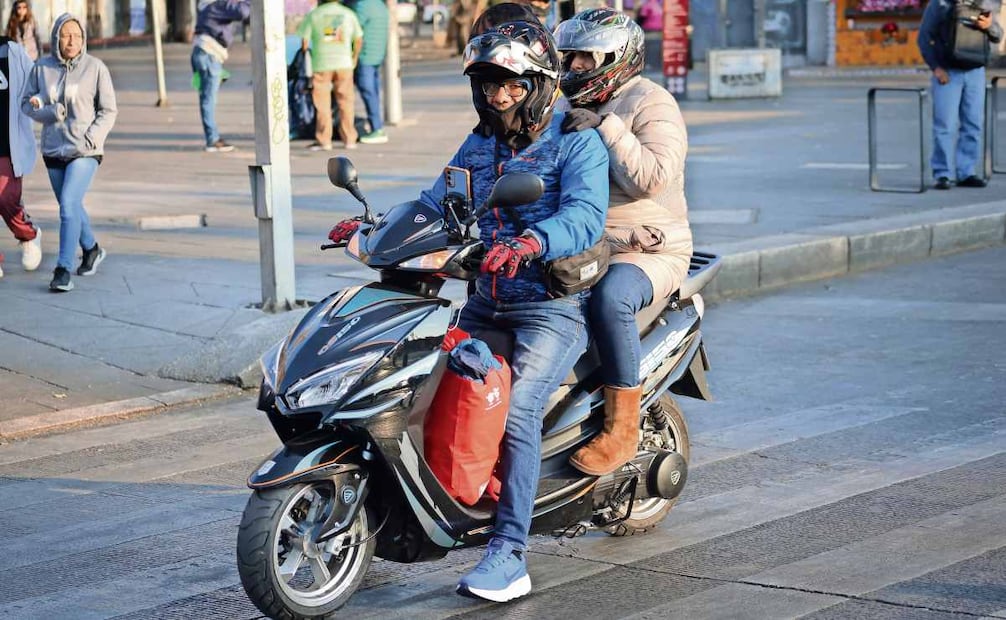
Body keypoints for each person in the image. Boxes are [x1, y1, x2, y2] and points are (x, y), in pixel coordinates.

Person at [328, 16, 609, 602]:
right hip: (485, 298)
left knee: (516, 413)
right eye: (486, 85)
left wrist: (531, 241)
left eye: (508, 85)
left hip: (549, 306)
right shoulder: (479, 143)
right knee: (415, 388)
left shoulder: (575, 140)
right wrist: (375, 230)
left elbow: (585, 217)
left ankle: (509, 552)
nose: (496, 96)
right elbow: (439, 201)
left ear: (536, 85)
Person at [554, 8, 692, 475]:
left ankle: (622, 429)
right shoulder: (565, 105)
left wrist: (607, 126)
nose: (572, 69)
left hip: (647, 247)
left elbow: (653, 178)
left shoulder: (651, 102)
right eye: (567, 58)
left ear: (616, 58)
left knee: (611, 300)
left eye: (583, 60)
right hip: (586, 240)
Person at [23, 14, 116, 293]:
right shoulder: (41, 68)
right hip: (53, 150)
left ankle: (63, 269)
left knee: (67, 205)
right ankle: (92, 249)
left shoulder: (95, 68)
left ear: (83, 38)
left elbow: (109, 110)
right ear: (56, 39)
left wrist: (92, 137)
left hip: (84, 150)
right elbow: (27, 105)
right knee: (72, 206)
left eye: (76, 34)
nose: (72, 40)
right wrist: (48, 112)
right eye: (66, 35)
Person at [919, 0, 1002, 189]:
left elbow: (998, 36)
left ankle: (967, 172)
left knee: (973, 125)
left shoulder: (983, 4)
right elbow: (924, 37)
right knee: (945, 126)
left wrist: (990, 27)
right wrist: (936, 68)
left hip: (975, 72)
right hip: (947, 73)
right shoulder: (940, 4)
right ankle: (943, 174)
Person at [0, 35, 41, 279]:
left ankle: (28, 234)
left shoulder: (12, 52)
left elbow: (36, 84)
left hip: (6, 142)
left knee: (6, 198)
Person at [299, 0, 363, 151]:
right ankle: (349, 139)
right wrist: (353, 58)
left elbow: (304, 43)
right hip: (344, 63)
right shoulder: (348, 14)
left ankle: (324, 140)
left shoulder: (313, 15)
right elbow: (359, 39)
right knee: (346, 102)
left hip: (321, 64)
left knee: (322, 104)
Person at [191, 0, 250, 153]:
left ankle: (212, 137)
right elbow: (243, 11)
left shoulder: (205, 6)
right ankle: (212, 139)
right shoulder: (216, 5)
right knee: (208, 99)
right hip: (209, 53)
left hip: (203, 52)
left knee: (207, 97)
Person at [347, 0, 389, 145]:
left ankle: (376, 128)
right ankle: (377, 126)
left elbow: (352, 30)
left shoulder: (362, 6)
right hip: (378, 54)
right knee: (374, 91)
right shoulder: (380, 5)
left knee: (368, 91)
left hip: (365, 55)